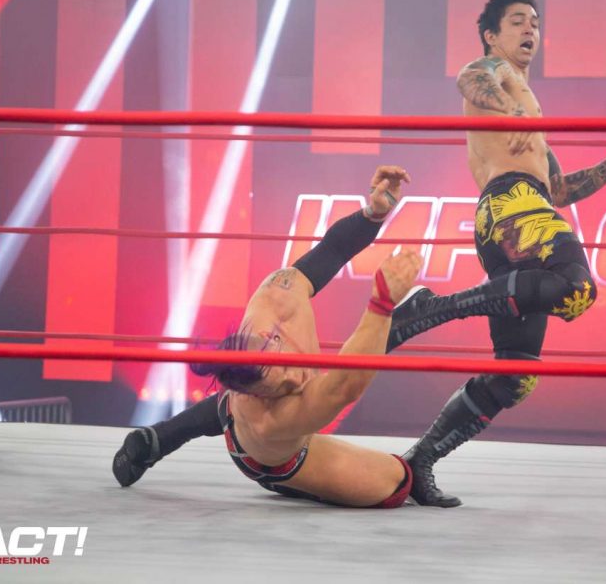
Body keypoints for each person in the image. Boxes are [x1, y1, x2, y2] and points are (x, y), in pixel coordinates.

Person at [385, 0, 606, 507]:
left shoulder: (529, 108)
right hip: (510, 205)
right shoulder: (496, 75)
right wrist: (512, 111)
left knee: (514, 376)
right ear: (492, 35)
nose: (530, 28)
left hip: (523, 211)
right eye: (517, 21)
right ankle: (433, 309)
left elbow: (560, 191)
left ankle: (420, 461)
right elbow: (470, 77)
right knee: (576, 287)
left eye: (535, 21)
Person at [113, 166, 425, 508]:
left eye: (283, 372)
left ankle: (159, 437)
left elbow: (332, 250)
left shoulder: (277, 295)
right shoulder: (272, 418)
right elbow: (344, 387)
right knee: (397, 482)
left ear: (269, 337)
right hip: (275, 459)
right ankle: (287, 484)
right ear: (256, 396)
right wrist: (382, 303)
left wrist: (373, 214)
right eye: (278, 389)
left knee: (240, 381)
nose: (295, 380)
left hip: (239, 400)